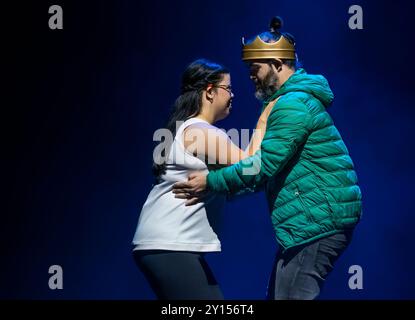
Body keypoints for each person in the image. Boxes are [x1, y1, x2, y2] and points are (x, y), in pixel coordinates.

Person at [172, 17, 363, 300]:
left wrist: (211, 182)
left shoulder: (292, 105)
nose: (251, 75)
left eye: (255, 68)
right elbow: (268, 171)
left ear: (277, 64)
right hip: (309, 222)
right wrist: (226, 188)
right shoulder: (286, 103)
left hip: (316, 223)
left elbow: (262, 166)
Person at [131, 59, 271, 300]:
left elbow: (239, 183)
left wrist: (215, 182)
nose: (233, 95)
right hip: (169, 244)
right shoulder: (199, 131)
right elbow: (251, 166)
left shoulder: (189, 129)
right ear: (209, 92)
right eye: (228, 88)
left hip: (165, 245)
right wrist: (265, 118)